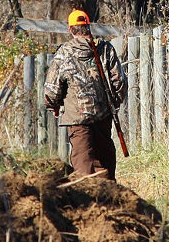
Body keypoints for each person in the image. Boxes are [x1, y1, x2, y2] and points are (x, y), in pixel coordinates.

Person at [44, 9, 127, 181]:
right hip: (103, 115)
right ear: (88, 27)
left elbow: (52, 88)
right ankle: (110, 198)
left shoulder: (64, 53)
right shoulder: (105, 49)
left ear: (71, 29)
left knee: (83, 163)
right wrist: (114, 103)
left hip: (77, 119)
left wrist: (54, 105)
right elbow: (119, 82)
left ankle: (88, 201)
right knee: (104, 161)